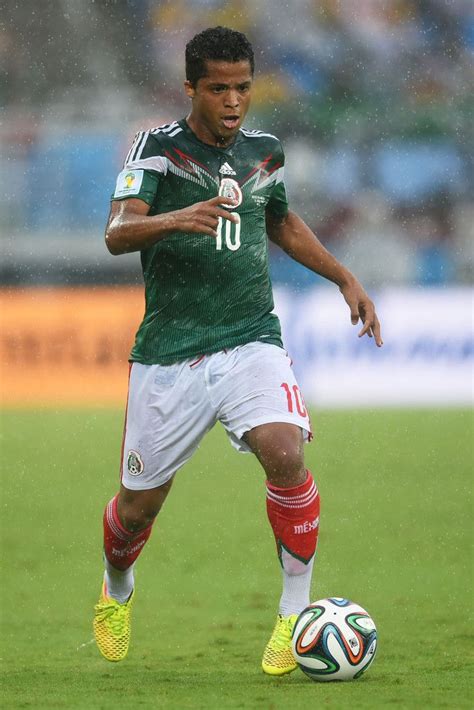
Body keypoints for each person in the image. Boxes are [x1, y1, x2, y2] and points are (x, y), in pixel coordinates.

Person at [93, 26, 382, 676]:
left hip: (251, 337)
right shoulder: (157, 151)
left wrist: (344, 277)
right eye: (218, 88)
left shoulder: (265, 151)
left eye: (242, 87)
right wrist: (174, 217)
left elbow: (280, 220)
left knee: (285, 451)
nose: (232, 100)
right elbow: (117, 233)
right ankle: (117, 589)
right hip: (170, 354)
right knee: (136, 510)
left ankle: (293, 616)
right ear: (191, 87)